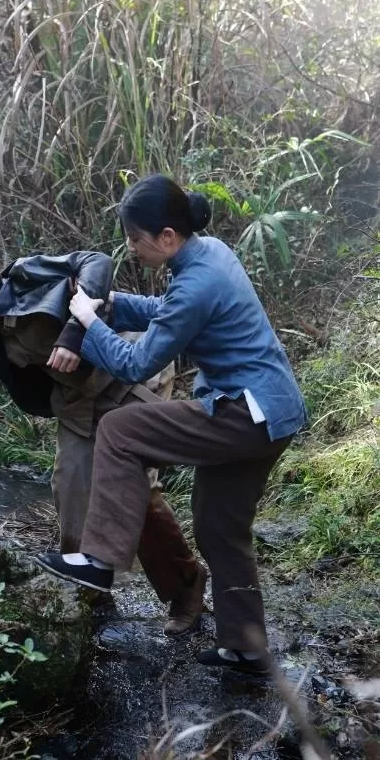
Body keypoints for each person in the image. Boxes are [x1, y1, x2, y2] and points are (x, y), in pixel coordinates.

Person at [35, 175, 308, 675]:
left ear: (165, 237)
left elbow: (138, 364)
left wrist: (87, 325)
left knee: (120, 429)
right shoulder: (208, 254)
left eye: (135, 240)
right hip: (275, 414)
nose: (130, 248)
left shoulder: (198, 279)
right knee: (218, 527)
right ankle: (247, 647)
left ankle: (97, 560)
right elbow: (170, 313)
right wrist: (113, 305)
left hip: (245, 413)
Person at [0, 250, 208, 636]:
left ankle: (185, 588)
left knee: (133, 492)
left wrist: (73, 333)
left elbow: (97, 262)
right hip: (78, 399)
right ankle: (87, 588)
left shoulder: (27, 276)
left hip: (127, 372)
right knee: (71, 484)